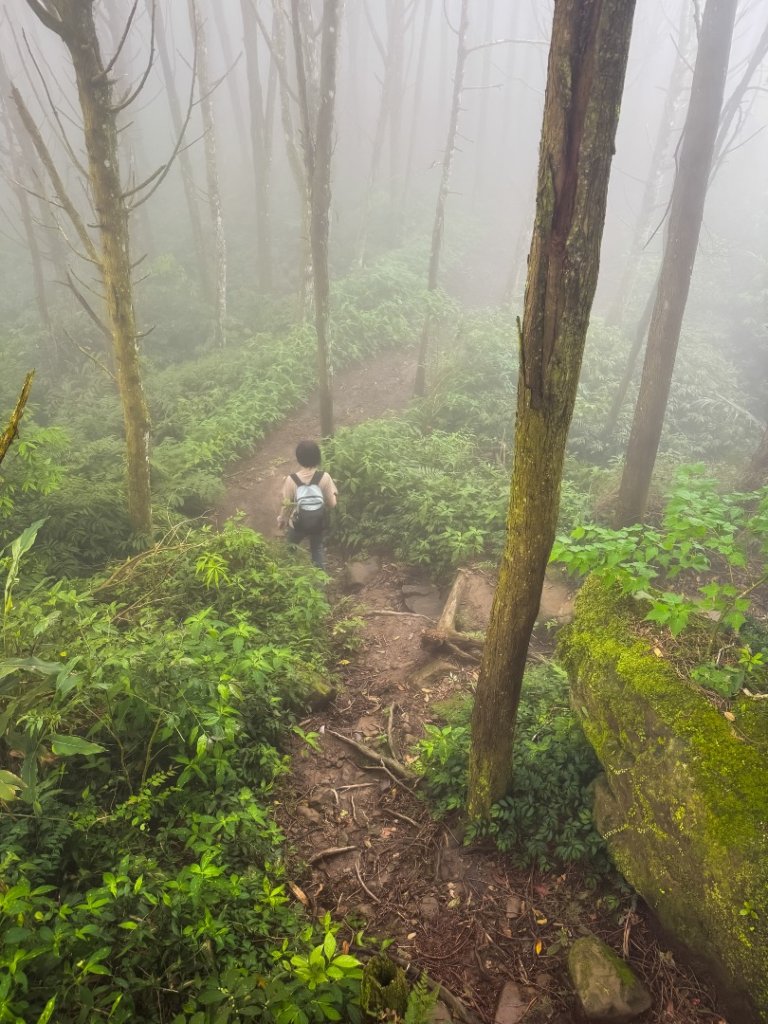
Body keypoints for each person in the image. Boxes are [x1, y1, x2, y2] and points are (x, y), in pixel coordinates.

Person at [277, 440, 338, 570]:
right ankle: (320, 580)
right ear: (318, 457)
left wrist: (282, 520)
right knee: (317, 549)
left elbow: (286, 505)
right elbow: (332, 504)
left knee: (290, 549)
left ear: (299, 458)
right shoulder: (325, 477)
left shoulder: (291, 479)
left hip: (298, 523)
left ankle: (288, 575)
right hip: (317, 522)